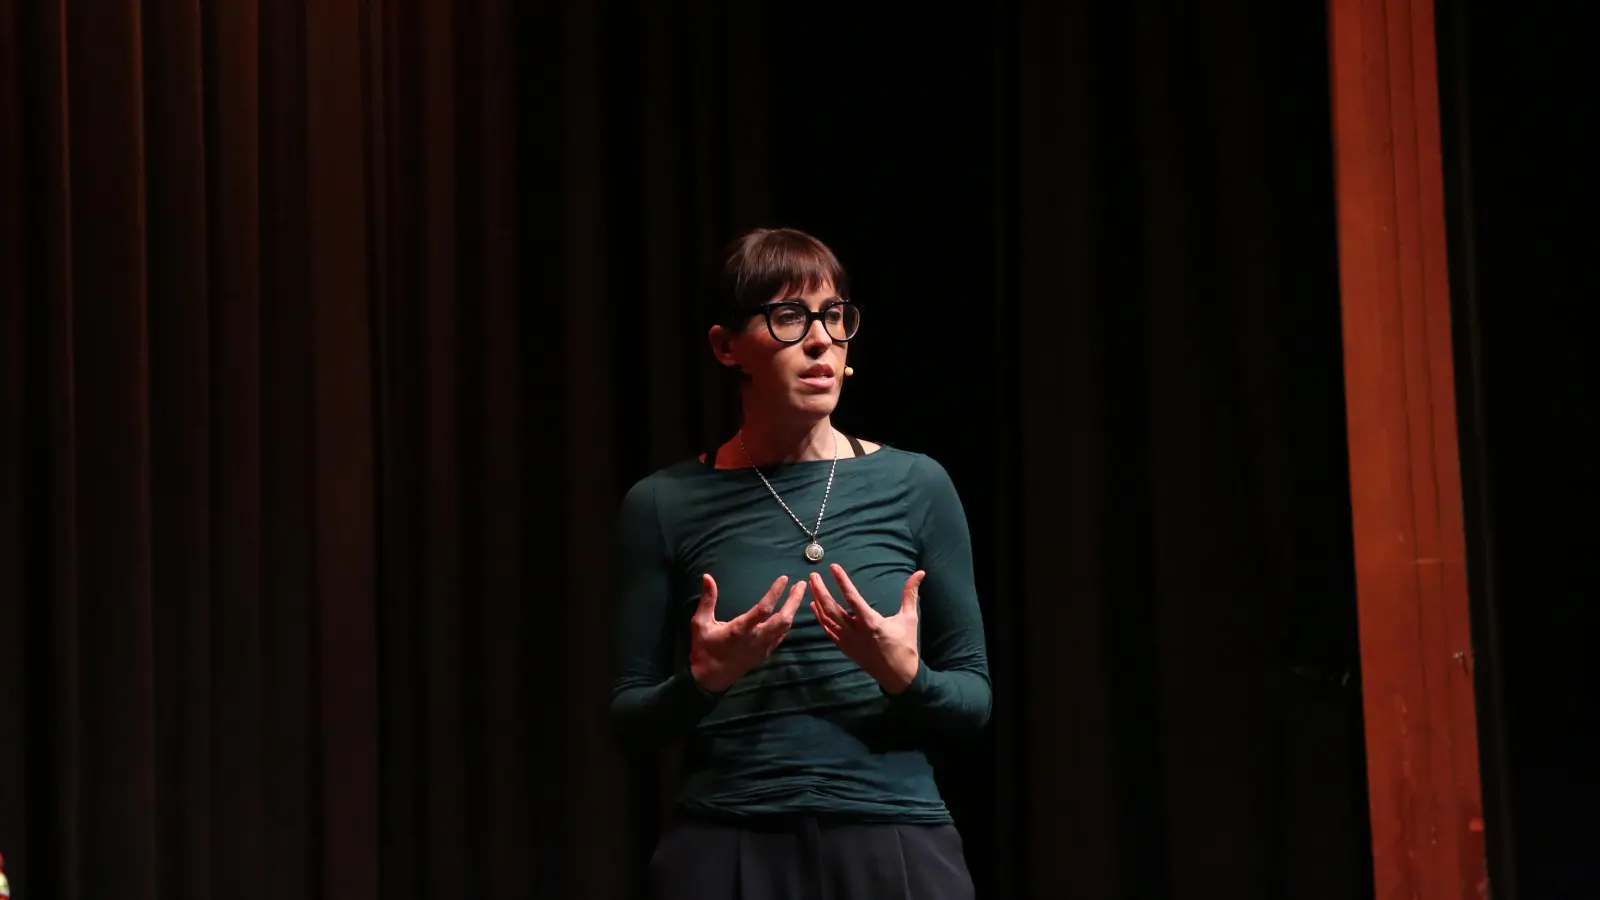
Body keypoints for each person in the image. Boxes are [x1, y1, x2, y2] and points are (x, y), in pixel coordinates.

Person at [609, 227, 991, 899]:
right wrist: (703, 679)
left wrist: (907, 676)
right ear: (727, 347)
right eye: (788, 317)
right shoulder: (662, 504)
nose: (820, 339)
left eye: (834, 315)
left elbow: (974, 700)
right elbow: (630, 718)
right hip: (727, 844)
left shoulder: (917, 486)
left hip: (891, 840)